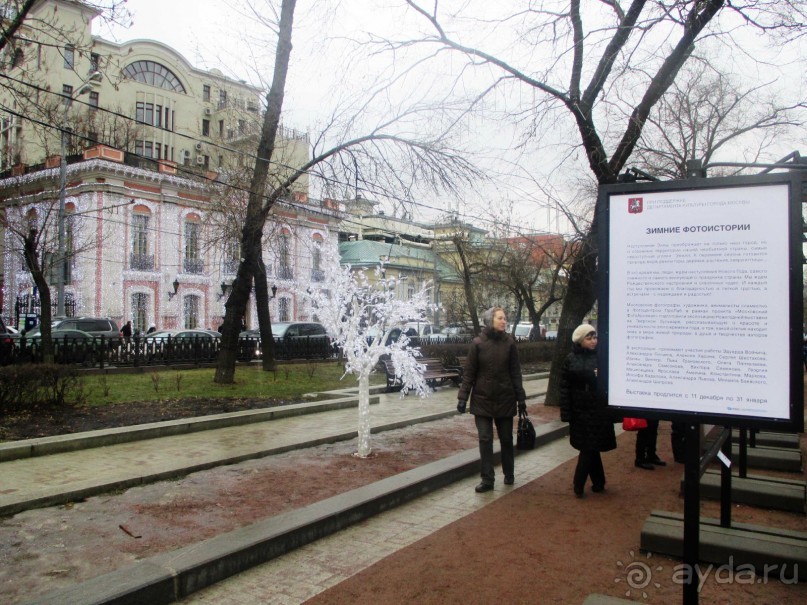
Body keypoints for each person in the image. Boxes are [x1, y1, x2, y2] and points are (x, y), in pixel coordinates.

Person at [457, 306, 526, 493]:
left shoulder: (509, 343)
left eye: (505, 318)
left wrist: (521, 398)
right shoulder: (478, 343)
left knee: (506, 439)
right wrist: (463, 397)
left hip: (505, 398)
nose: (504, 321)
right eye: (500, 318)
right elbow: (469, 373)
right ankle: (487, 479)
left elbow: (515, 373)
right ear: (490, 321)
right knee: (485, 439)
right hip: (482, 400)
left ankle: (509, 473)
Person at [559, 324, 616, 498]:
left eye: (594, 337)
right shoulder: (570, 359)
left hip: (598, 410)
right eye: (589, 338)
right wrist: (566, 412)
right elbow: (564, 387)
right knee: (590, 447)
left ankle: (580, 483)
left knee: (590, 447)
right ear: (580, 340)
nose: (593, 341)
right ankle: (597, 482)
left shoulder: (602, 357)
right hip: (579, 411)